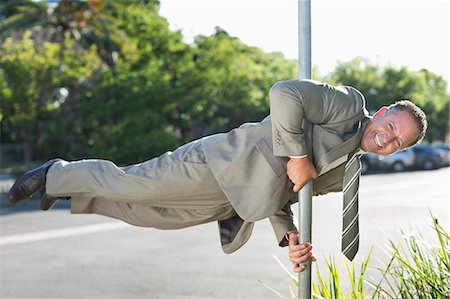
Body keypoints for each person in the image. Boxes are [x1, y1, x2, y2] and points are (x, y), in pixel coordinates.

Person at [8, 79, 427, 273]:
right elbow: (285, 93)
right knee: (136, 184)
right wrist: (298, 155)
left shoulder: (349, 172)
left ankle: (67, 194)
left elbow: (289, 194)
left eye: (397, 143)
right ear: (385, 111)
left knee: (150, 215)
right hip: (221, 163)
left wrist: (291, 239)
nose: (387, 139)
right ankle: (57, 174)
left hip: (237, 200)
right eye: (392, 127)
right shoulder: (347, 105)